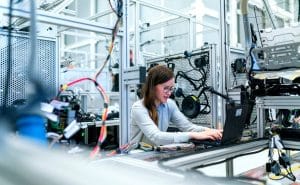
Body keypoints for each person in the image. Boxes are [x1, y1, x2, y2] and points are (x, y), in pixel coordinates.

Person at [130, 64, 222, 146]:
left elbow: (188, 127)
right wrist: (192, 135)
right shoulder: (139, 108)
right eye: (166, 88)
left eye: (171, 89)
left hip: (155, 153)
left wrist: (210, 131)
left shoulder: (170, 104)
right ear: (153, 87)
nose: (169, 93)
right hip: (138, 156)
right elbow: (156, 137)